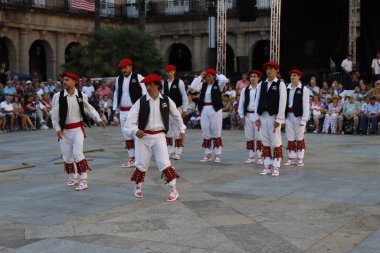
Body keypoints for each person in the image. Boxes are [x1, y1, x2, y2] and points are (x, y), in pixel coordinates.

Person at [125, 74, 185, 202]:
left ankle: (173, 190)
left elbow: (176, 115)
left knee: (165, 163)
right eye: (146, 84)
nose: (148, 87)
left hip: (159, 136)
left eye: (151, 84)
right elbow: (128, 123)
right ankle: (137, 186)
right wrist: (135, 131)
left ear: (157, 85)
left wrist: (182, 129)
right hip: (143, 137)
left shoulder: (166, 100)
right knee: (141, 164)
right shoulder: (140, 102)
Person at [51, 72, 106, 191]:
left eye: (67, 80)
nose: (64, 82)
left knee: (77, 154)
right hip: (64, 131)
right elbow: (54, 115)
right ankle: (72, 177)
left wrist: (98, 119)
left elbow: (89, 109)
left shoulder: (81, 95)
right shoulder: (58, 96)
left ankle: (84, 180)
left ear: (74, 81)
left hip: (77, 130)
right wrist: (58, 129)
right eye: (63, 80)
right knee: (67, 156)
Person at [253, 62, 287, 177]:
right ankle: (267, 165)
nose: (269, 71)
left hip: (273, 116)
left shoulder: (280, 84)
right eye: (267, 69)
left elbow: (282, 102)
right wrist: (256, 117)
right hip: (263, 116)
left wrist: (279, 119)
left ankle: (276, 166)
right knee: (265, 141)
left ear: (276, 71)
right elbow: (257, 100)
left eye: (271, 69)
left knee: (276, 141)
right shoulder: (261, 83)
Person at [190, 68, 228, 162]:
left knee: (216, 130)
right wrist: (200, 77)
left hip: (215, 109)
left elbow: (224, 80)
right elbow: (192, 88)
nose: (207, 78)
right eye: (206, 76)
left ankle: (218, 154)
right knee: (205, 130)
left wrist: (216, 74)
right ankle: (208, 154)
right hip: (204, 109)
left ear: (214, 77)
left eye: (209, 76)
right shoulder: (203, 85)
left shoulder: (218, 85)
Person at [113, 58, 145, 168]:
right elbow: (116, 94)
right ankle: (132, 158)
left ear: (131, 67)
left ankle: (140, 158)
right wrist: (115, 112)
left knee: (136, 134)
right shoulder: (118, 79)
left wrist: (144, 109)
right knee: (126, 135)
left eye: (125, 67)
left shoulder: (138, 77)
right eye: (122, 68)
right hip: (122, 111)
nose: (123, 70)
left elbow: (144, 93)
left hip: (134, 111)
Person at [283, 69, 309, 167]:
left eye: (294, 75)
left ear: (299, 76)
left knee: (299, 137)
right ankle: (291, 158)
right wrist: (282, 118)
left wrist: (304, 120)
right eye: (291, 75)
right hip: (288, 115)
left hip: (299, 116)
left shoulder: (303, 89)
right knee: (290, 137)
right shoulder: (287, 88)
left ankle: (300, 158)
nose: (292, 77)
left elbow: (306, 105)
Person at [162, 65, 188, 160]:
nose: (169, 73)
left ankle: (178, 151)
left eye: (171, 71)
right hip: (167, 110)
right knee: (168, 131)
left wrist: (185, 109)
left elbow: (184, 96)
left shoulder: (179, 82)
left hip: (178, 108)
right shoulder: (164, 83)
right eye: (167, 71)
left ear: (174, 71)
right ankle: (170, 151)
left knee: (178, 131)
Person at [238, 70, 263, 164]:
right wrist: (241, 115)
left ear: (258, 78)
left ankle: (260, 156)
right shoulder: (245, 89)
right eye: (251, 76)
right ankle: (251, 156)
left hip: (258, 116)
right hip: (248, 115)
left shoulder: (261, 89)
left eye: (255, 76)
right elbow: (241, 103)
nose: (252, 78)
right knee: (249, 137)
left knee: (259, 137)